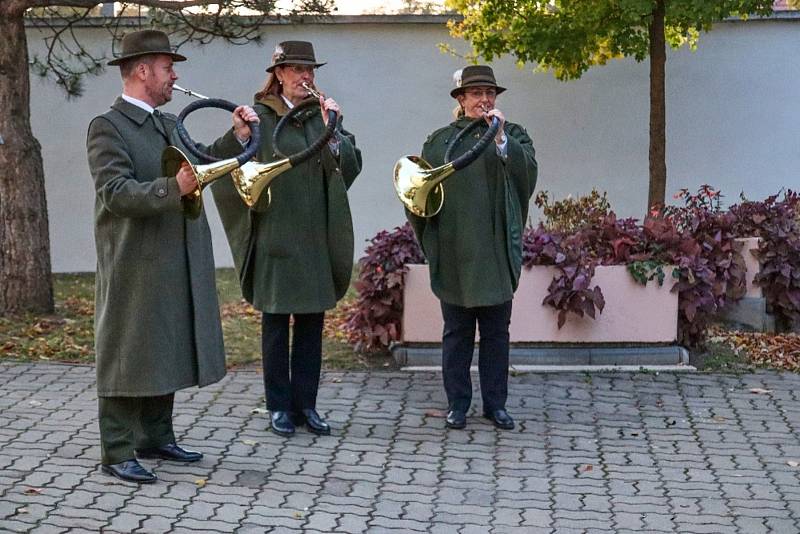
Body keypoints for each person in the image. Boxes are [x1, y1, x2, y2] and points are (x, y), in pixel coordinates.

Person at [86, 29, 258, 483]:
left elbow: (198, 167)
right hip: (134, 260)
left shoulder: (164, 124)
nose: (174, 76)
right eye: (167, 68)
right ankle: (117, 449)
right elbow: (115, 193)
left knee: (163, 344)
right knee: (127, 349)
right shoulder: (108, 127)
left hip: (170, 253)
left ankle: (156, 436)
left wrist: (236, 138)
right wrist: (172, 188)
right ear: (142, 71)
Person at [212, 41, 361, 437]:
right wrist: (242, 139)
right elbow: (222, 162)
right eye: (296, 69)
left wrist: (336, 134)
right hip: (277, 233)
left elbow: (351, 167)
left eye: (309, 69)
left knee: (312, 325)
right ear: (279, 74)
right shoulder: (258, 115)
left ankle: (306, 406)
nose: (305, 76)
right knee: (276, 324)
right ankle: (279, 406)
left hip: (315, 236)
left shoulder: (322, 116)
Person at [405, 65, 537, 431]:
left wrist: (501, 143)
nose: (484, 100)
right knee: (457, 334)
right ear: (460, 100)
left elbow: (528, 177)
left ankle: (496, 405)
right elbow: (418, 194)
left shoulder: (514, 136)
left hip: (494, 253)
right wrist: (433, 243)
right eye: (476, 93)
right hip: (456, 252)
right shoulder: (440, 141)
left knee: (496, 334)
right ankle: (457, 404)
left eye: (489, 93)